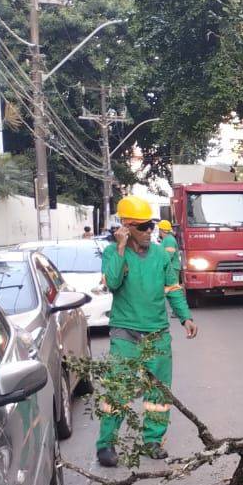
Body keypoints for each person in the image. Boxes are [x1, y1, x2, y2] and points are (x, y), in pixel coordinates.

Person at [95, 197, 199, 468]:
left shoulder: (161, 256)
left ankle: (152, 441)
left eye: (151, 225)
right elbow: (114, 283)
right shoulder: (112, 253)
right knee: (119, 390)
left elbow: (172, 289)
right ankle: (106, 444)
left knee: (159, 393)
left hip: (157, 333)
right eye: (142, 227)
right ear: (126, 227)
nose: (149, 231)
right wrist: (119, 249)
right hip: (125, 333)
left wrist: (185, 317)